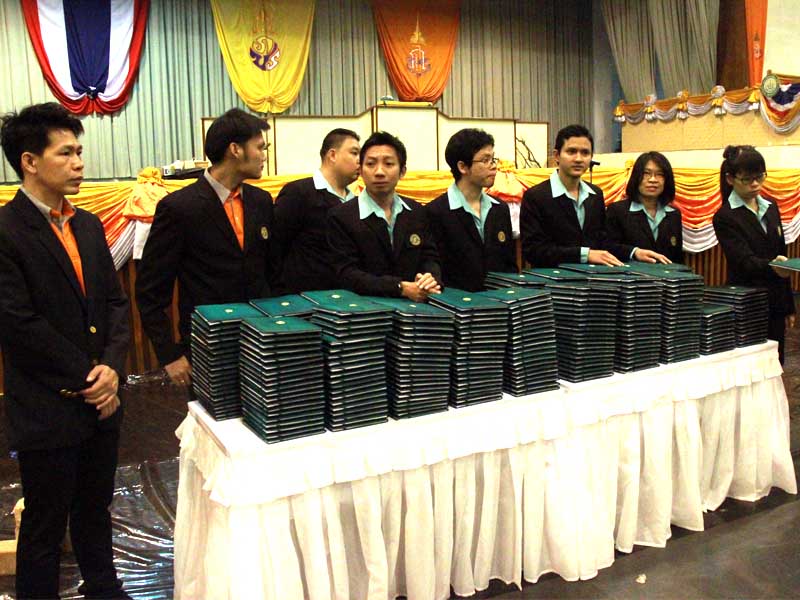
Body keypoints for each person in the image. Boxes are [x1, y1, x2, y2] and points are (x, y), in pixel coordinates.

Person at [0, 103, 131, 599]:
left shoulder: (89, 225)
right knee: (45, 523)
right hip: (48, 405)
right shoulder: (7, 230)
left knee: (95, 509)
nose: (79, 163)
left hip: (103, 400)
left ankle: (104, 588)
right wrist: (89, 377)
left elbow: (115, 304)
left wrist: (112, 370)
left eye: (79, 151)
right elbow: (18, 323)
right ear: (30, 161)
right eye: (66, 153)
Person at [136, 108, 277, 385]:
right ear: (235, 150)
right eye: (260, 147)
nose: (264, 155)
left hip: (262, 344)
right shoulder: (179, 208)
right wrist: (169, 355)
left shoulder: (261, 201)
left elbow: (272, 273)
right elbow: (150, 291)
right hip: (207, 349)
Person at [520, 124, 666, 267]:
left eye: (585, 153)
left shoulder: (595, 194)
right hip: (552, 279)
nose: (578, 159)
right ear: (557, 156)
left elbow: (603, 242)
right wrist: (585, 255)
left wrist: (634, 252)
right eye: (571, 152)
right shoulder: (536, 196)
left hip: (593, 278)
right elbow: (533, 251)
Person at [327, 131, 441, 300]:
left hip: (417, 306)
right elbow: (346, 273)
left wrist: (429, 278)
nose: (379, 171)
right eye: (371, 164)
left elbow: (430, 258)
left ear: (402, 171)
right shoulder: (341, 216)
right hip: (365, 308)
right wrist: (399, 288)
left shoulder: (417, 212)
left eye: (388, 164)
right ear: (361, 170)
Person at [713, 144, 795, 363]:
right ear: (730, 179)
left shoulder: (771, 206)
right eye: (747, 179)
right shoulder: (725, 216)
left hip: (775, 301)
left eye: (760, 177)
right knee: (750, 365)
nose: (755, 184)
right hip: (746, 301)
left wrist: (788, 306)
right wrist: (774, 267)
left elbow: (782, 254)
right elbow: (743, 261)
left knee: (776, 363)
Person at [425, 128, 516, 291]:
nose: (494, 166)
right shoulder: (436, 212)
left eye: (493, 159)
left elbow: (509, 265)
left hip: (500, 300)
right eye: (485, 160)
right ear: (462, 167)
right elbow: (435, 270)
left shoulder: (500, 209)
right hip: (457, 302)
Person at [273, 128, 361, 293]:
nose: (360, 161)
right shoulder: (298, 192)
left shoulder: (357, 201)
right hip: (303, 297)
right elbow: (275, 247)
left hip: (347, 296)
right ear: (332, 155)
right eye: (354, 153)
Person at [606, 151, 680, 263]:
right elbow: (607, 247)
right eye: (646, 173)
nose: (653, 179)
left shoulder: (674, 214)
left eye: (660, 174)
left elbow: (677, 257)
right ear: (636, 177)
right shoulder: (617, 211)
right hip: (630, 273)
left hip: (666, 274)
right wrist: (634, 252)